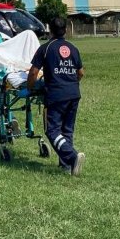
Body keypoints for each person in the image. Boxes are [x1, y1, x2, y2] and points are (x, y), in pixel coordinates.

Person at [27, 17, 86, 175]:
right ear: (65, 30)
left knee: (52, 131)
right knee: (66, 130)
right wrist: (71, 83)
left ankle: (72, 157)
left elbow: (33, 72)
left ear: (50, 31)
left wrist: (28, 88)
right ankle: (66, 165)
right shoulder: (73, 48)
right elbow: (80, 73)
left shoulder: (46, 48)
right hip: (74, 93)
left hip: (55, 95)